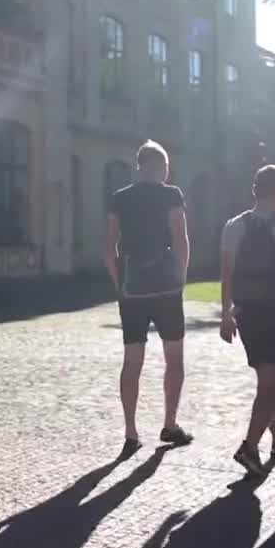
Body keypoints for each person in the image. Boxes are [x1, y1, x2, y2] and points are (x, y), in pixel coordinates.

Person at [104, 140, 194, 451]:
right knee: (174, 357)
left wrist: (120, 283)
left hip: (132, 287)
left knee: (132, 360)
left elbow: (109, 248)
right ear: (163, 167)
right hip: (167, 286)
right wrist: (181, 277)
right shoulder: (171, 195)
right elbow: (181, 240)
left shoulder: (119, 198)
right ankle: (170, 423)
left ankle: (131, 431)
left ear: (139, 167)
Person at [220, 165, 275, 476]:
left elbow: (226, 273)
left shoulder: (234, 225)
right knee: (269, 383)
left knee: (266, 379)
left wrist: (226, 313)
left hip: (246, 311)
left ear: (254, 190)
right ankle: (249, 447)